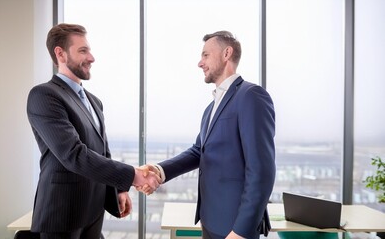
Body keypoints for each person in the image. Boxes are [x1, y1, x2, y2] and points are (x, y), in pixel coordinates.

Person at [26, 23, 161, 239]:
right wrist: (132, 175)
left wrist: (119, 188)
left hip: (93, 213)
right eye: (83, 51)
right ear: (60, 54)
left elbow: (102, 152)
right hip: (62, 216)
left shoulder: (94, 102)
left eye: (89, 50)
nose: (91, 57)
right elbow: (74, 154)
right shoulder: (44, 96)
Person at [140, 31, 276, 239]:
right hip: (211, 221)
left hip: (235, 227)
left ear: (226, 54)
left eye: (205, 55)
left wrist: (241, 231)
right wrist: (160, 170)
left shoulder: (251, 96)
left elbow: (261, 170)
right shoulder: (210, 108)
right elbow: (199, 151)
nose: (200, 63)